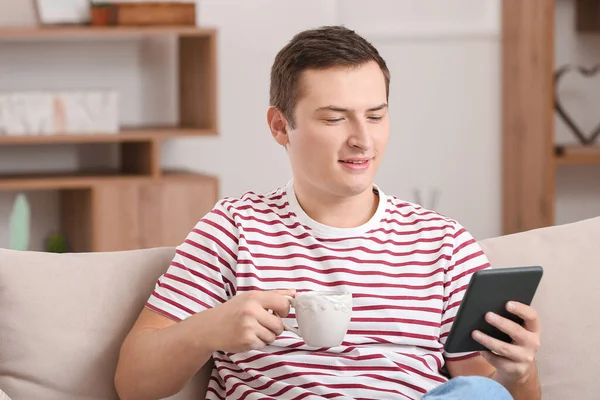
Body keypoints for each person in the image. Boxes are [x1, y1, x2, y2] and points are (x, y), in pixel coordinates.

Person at [114, 26, 542, 400]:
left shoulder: (443, 243)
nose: (363, 140)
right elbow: (131, 383)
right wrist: (208, 329)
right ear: (280, 126)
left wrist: (519, 375)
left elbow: (484, 391)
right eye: (336, 119)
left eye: (375, 116)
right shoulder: (234, 228)